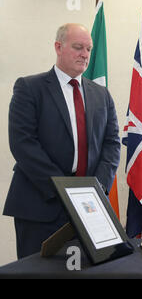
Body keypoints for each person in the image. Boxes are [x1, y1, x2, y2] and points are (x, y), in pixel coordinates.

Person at [3, 23, 121, 258]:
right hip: (40, 204)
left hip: (89, 205)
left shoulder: (101, 94)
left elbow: (112, 143)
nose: (85, 54)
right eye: (78, 47)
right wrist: (64, 191)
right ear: (58, 47)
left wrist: (96, 188)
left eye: (88, 49)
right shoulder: (29, 87)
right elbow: (23, 144)